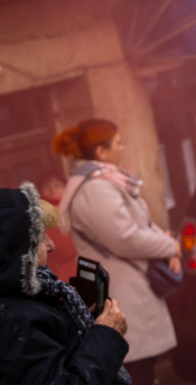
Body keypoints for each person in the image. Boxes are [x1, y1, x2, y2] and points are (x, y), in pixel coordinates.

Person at [53, 120, 179, 385]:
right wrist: (171, 246)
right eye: (118, 143)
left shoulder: (102, 182)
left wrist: (164, 240)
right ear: (101, 151)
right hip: (123, 295)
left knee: (142, 368)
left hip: (128, 289)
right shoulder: (95, 189)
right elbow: (125, 237)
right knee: (136, 370)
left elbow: (139, 224)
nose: (123, 148)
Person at [1, 183, 131, 384]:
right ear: (16, 247)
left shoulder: (22, 299)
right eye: (40, 236)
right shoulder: (17, 320)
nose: (50, 245)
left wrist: (76, 318)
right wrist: (106, 335)